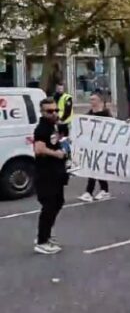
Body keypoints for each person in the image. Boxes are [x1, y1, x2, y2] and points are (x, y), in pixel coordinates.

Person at [33, 98, 68, 254]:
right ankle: (41, 241)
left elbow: (54, 141)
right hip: (45, 173)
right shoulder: (41, 129)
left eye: (55, 110)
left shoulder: (53, 125)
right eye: (49, 111)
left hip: (56, 172)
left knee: (59, 202)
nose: (54, 113)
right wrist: (56, 153)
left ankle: (46, 234)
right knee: (49, 206)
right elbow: (39, 149)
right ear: (42, 112)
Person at [78, 92, 112, 202]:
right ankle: (95, 191)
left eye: (94, 99)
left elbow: (114, 127)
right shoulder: (89, 115)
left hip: (102, 146)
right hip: (92, 146)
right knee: (92, 168)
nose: (91, 102)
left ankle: (98, 190)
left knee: (96, 168)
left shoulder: (106, 114)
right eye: (91, 99)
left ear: (99, 101)